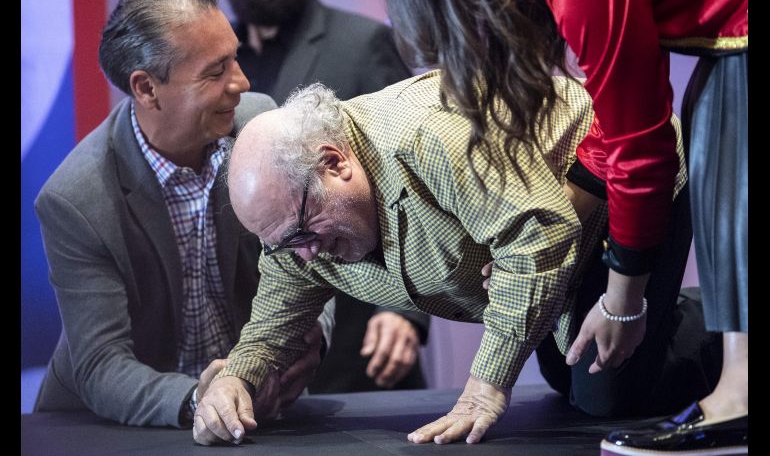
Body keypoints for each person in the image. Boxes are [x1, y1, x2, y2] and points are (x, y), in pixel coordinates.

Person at [194, 70, 683, 446]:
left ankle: (724, 331)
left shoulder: (431, 137)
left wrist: (486, 384)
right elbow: (273, 319)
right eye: (283, 243)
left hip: (622, 187)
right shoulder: (294, 223)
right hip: (553, 256)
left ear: (334, 163)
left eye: (302, 233)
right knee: (568, 379)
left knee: (608, 396)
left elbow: (540, 232)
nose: (305, 253)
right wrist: (235, 379)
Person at [381, 0, 747, 454]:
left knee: (722, 132)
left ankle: (737, 400)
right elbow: (620, 124)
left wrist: (624, 299)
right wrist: (568, 219)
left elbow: (641, 147)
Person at [33, 0, 333, 428]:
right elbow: (100, 365)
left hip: (258, 414)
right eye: (216, 71)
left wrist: (309, 338)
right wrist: (200, 400)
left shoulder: (259, 124)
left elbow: (313, 256)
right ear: (147, 88)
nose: (242, 82)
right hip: (116, 427)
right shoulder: (75, 200)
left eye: (235, 57)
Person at [222, 0, 428, 394]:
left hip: (360, 338)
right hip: (266, 321)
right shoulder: (223, 64)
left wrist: (403, 313)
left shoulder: (361, 42)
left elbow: (409, 174)